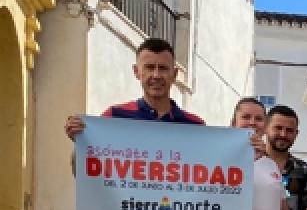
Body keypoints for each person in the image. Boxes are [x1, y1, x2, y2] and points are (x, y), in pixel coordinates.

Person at [63, 37, 204, 152]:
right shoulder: (113, 116)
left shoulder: (196, 126)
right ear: (136, 72)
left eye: (163, 68)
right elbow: (93, 162)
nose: (156, 75)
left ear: (174, 74)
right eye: (149, 67)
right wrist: (82, 138)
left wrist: (226, 142)